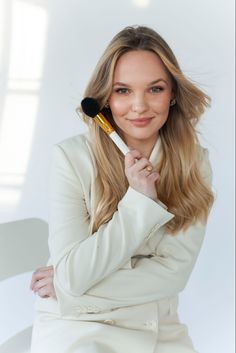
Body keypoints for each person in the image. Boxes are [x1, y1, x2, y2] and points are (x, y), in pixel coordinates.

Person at [30, 25, 214, 353]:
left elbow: (173, 276)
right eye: (123, 91)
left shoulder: (194, 163)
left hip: (158, 324)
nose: (140, 106)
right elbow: (73, 273)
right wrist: (140, 201)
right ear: (105, 98)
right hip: (79, 326)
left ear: (172, 93)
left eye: (155, 89)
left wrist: (72, 284)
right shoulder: (71, 159)